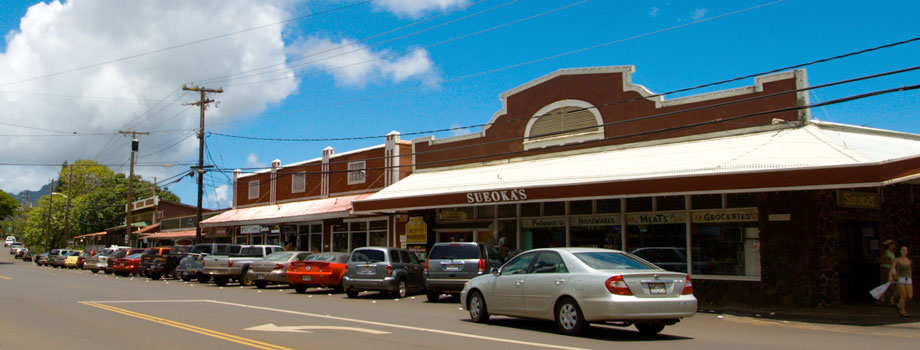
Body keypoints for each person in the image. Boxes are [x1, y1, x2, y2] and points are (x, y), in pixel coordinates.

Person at [889, 245, 913, 317]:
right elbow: (892, 268)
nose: (904, 251)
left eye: (906, 250)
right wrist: (890, 276)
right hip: (900, 278)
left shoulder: (909, 260)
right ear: (900, 251)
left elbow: (910, 270)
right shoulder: (897, 259)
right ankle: (902, 310)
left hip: (907, 278)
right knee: (903, 295)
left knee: (909, 295)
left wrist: (911, 277)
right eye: (902, 250)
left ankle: (899, 303)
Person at [879, 240, 897, 305]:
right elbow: (880, 260)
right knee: (888, 284)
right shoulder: (886, 252)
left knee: (893, 285)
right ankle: (886, 300)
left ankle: (889, 299)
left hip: (892, 269)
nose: (893, 245)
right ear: (889, 245)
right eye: (892, 244)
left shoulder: (892, 252)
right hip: (887, 269)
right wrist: (889, 263)